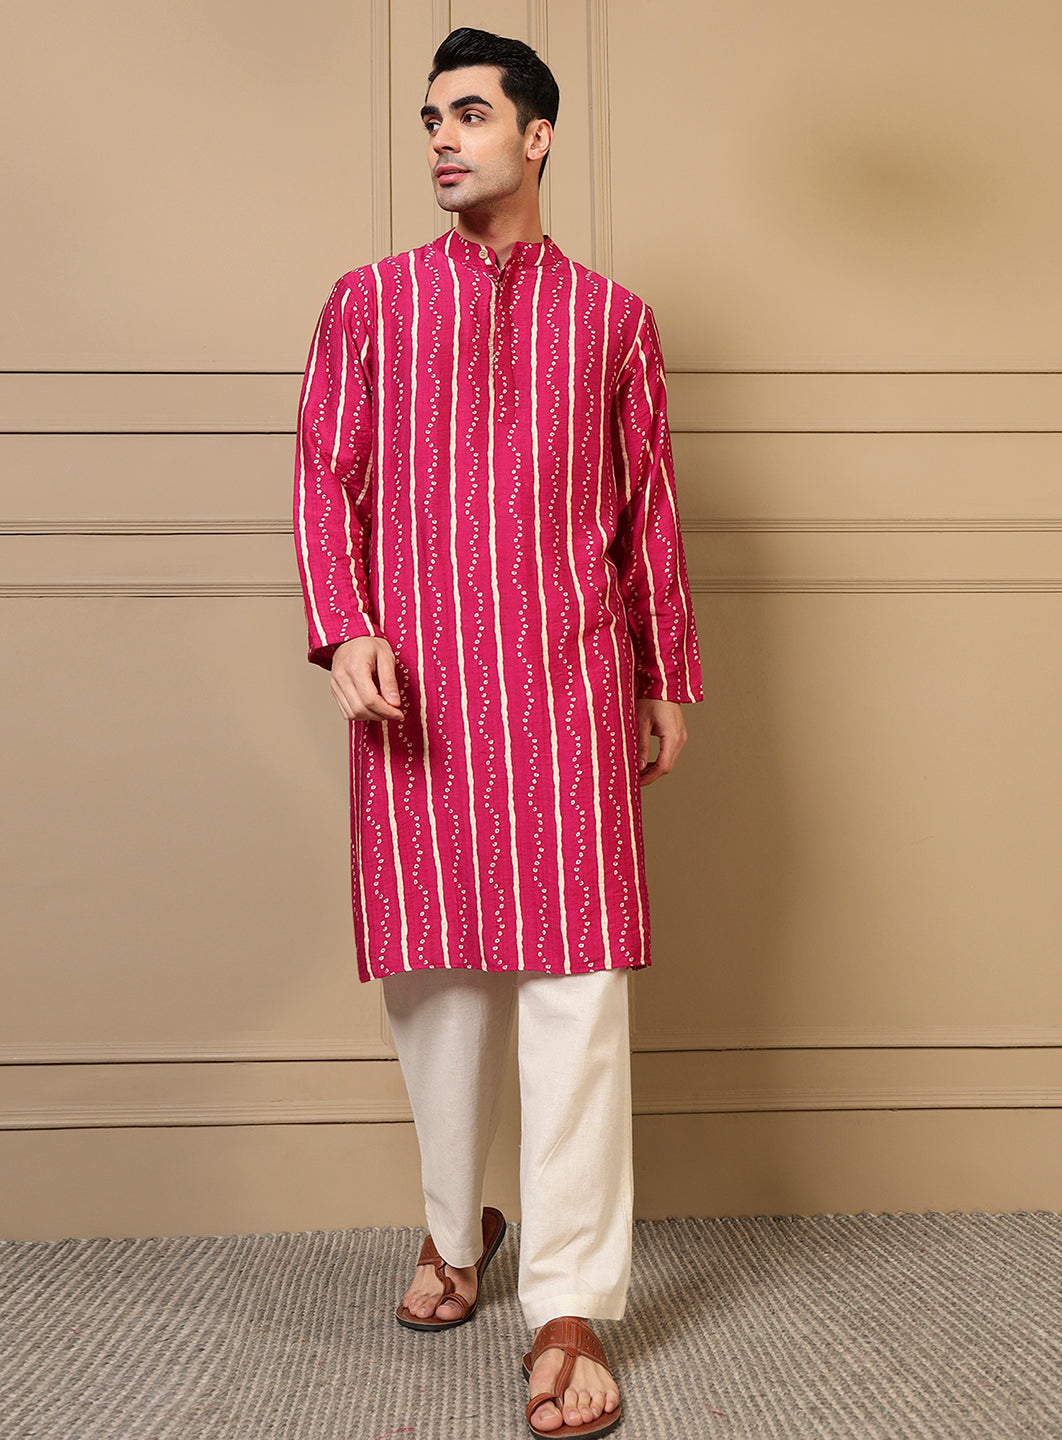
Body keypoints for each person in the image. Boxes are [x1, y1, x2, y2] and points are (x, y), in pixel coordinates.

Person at [293, 27, 703, 1437]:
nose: (442, 140)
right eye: (430, 119)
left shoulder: (613, 319)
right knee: (437, 984)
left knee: (578, 988)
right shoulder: (368, 303)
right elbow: (325, 476)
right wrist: (344, 626)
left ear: (538, 135)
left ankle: (571, 1300)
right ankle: (453, 1228)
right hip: (418, 689)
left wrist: (667, 670)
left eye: (470, 115)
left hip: (569, 681)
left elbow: (647, 503)